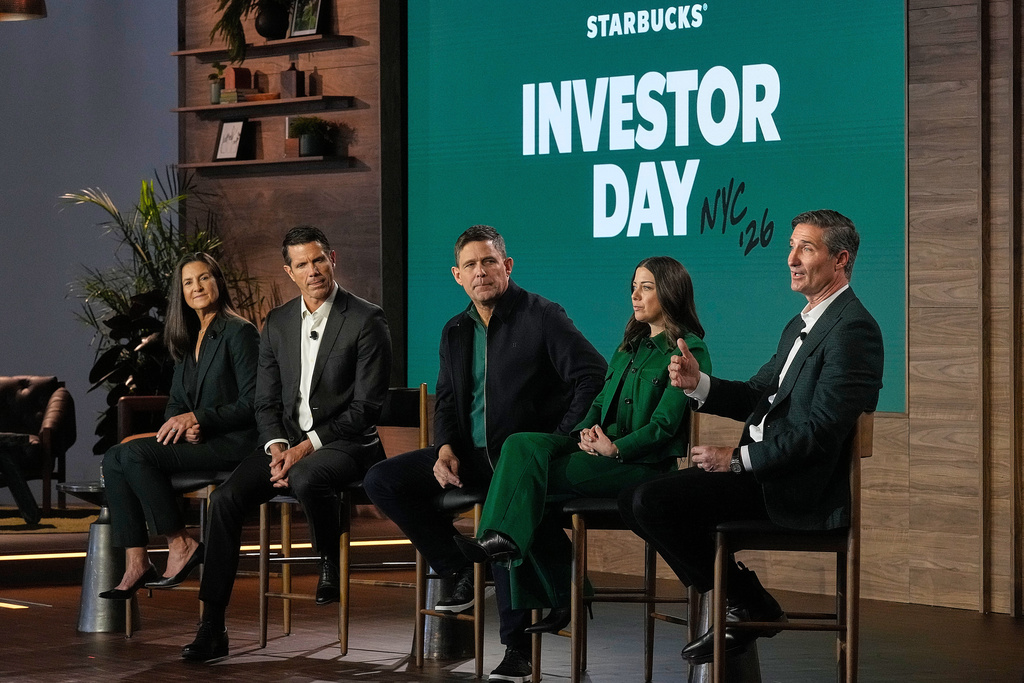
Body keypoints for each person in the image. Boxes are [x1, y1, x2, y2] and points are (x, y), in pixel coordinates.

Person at [619, 209, 884, 665]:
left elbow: (819, 434)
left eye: (806, 248)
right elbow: (758, 393)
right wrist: (698, 384)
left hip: (792, 487)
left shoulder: (854, 330)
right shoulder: (802, 322)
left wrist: (738, 460)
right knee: (634, 498)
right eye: (790, 247)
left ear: (841, 260)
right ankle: (745, 600)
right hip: (759, 474)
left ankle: (745, 602)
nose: (792, 259)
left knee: (651, 502)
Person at [363, 225, 605, 683]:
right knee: (382, 480)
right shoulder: (455, 330)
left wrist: (555, 439)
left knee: (501, 520)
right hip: (470, 456)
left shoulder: (543, 315)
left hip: (519, 463)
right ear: (457, 275)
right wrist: (445, 447)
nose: (481, 271)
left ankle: (517, 650)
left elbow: (592, 376)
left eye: (489, 261)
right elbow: (449, 400)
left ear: (507, 266)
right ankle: (458, 570)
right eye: (471, 265)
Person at [455, 256, 712, 636]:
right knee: (521, 445)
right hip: (599, 454)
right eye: (633, 287)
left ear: (670, 293)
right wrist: (584, 434)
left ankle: (550, 583)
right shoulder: (629, 346)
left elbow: (663, 427)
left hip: (641, 465)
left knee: (529, 485)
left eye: (646, 288)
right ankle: (508, 548)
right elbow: (597, 402)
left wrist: (616, 449)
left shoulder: (689, 350)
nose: (635, 296)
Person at [181, 226, 393, 662]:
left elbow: (366, 409)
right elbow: (264, 400)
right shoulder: (277, 322)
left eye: (318, 260)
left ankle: (329, 561)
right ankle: (211, 625)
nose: (312, 270)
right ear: (289, 271)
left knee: (307, 473)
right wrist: (277, 444)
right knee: (224, 500)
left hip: (347, 444)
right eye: (301, 264)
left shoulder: (366, 318)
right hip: (286, 447)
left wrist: (304, 448)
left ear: (333, 258)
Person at [99, 252, 259, 599]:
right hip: (201, 440)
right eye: (188, 282)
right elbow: (176, 404)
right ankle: (136, 561)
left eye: (204, 278)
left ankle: (181, 543)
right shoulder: (188, 338)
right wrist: (184, 423)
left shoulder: (239, 332)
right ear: (181, 293)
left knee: (136, 455)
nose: (197, 287)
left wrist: (200, 418)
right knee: (114, 457)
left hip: (235, 443)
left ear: (218, 282)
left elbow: (253, 404)